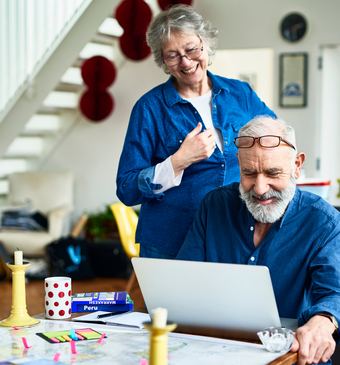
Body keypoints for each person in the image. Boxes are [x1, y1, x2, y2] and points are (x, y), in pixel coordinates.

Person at [176, 116, 340, 365]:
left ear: (297, 165)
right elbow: (183, 279)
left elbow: (336, 295)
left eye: (273, 172)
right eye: (249, 173)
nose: (259, 188)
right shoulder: (214, 205)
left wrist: (323, 321)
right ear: (239, 164)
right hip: (217, 351)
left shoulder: (325, 223)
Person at [116, 5, 275, 259]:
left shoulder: (241, 94)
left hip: (234, 239)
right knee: (168, 302)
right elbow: (126, 187)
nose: (186, 62)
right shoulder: (149, 108)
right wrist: (178, 161)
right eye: (173, 55)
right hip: (170, 243)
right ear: (163, 61)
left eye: (191, 49)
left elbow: (276, 142)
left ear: (206, 43)